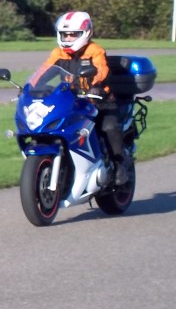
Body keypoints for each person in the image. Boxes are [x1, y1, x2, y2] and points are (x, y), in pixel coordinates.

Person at [38, 10, 128, 186]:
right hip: (73, 101)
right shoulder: (59, 53)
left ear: (86, 33)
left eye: (73, 34)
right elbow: (45, 70)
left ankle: (119, 165)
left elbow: (102, 70)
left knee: (108, 127)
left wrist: (96, 85)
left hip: (100, 101)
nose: (68, 38)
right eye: (65, 34)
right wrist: (31, 87)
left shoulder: (95, 51)